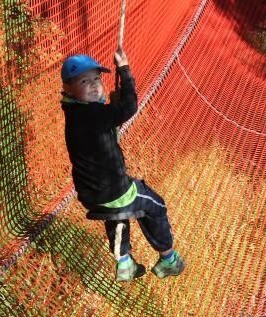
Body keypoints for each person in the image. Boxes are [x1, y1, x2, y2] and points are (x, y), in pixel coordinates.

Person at [60, 49, 185, 282]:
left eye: (97, 78)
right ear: (68, 89)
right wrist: (125, 71)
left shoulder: (75, 113)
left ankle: (125, 264)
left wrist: (111, 106)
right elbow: (129, 108)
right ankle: (168, 258)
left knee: (116, 213)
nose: (94, 85)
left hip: (92, 195)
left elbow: (103, 123)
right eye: (84, 81)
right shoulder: (92, 114)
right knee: (155, 205)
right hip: (114, 189)